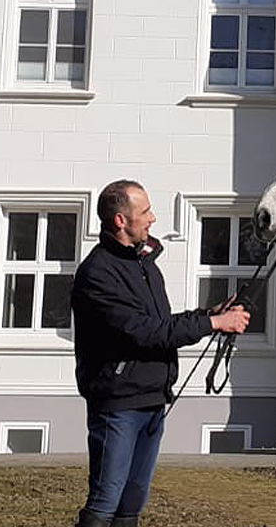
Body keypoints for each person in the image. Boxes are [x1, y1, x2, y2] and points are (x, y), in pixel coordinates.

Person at [68, 179, 250, 527]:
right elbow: (146, 333)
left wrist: (209, 314)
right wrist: (214, 324)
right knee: (104, 504)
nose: (153, 218)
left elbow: (161, 323)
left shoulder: (144, 265)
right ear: (120, 220)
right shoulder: (97, 274)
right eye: (145, 211)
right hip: (118, 405)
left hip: (152, 399)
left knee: (130, 507)